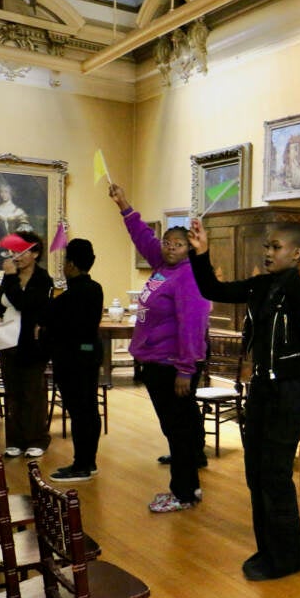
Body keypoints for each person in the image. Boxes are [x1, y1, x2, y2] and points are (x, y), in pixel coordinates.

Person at [187, 220, 300, 581]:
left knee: (275, 474)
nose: (268, 253)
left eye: (276, 247)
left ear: (296, 254)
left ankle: (286, 559)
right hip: (262, 391)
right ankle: (267, 549)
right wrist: (201, 253)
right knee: (255, 473)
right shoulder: (260, 286)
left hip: (287, 391)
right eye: (266, 246)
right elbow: (211, 288)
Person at [110, 184, 210, 513]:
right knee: (174, 429)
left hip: (172, 365)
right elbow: (142, 238)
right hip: (155, 361)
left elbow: (192, 325)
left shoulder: (188, 277)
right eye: (167, 242)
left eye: (178, 244)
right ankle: (189, 487)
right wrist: (125, 205)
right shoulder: (163, 267)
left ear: (189, 249)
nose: (169, 247)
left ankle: (182, 493)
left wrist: (185, 369)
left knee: (178, 430)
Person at [44, 239, 103, 482]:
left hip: (73, 359)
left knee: (79, 412)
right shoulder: (95, 288)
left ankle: (81, 465)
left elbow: (54, 323)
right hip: (89, 354)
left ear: (71, 265)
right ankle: (89, 461)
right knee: (89, 409)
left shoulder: (70, 296)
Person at [0, 230, 52, 458]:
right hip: (7, 341)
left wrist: (9, 278)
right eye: (13, 252)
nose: (15, 257)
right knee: (13, 393)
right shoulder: (10, 277)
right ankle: (15, 440)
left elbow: (25, 303)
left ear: (35, 253)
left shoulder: (42, 279)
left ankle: (37, 438)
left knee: (32, 393)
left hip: (32, 343)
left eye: (21, 252)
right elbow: (1, 302)